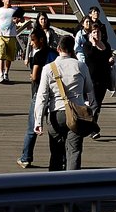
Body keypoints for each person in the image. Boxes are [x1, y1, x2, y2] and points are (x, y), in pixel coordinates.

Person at [34, 34, 95, 171]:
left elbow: (42, 96)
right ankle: (72, 184)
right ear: (72, 49)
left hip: (56, 113)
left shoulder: (49, 68)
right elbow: (89, 88)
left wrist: (38, 121)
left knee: (56, 152)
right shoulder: (80, 66)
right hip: (77, 114)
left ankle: (54, 184)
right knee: (74, 152)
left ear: (58, 48)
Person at [17, 27, 54, 168]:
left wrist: (31, 76)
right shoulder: (54, 53)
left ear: (41, 40)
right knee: (54, 130)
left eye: (33, 40)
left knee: (32, 128)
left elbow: (35, 76)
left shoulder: (39, 56)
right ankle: (59, 158)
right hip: (54, 95)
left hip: (39, 94)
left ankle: (26, 158)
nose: (31, 43)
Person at [82, 22, 116, 140]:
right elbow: (90, 57)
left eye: (98, 32)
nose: (97, 34)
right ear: (90, 34)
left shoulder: (106, 45)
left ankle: (90, 126)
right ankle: (93, 129)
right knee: (94, 104)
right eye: (94, 32)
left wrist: (111, 60)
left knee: (98, 106)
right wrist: (93, 43)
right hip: (91, 79)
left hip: (103, 79)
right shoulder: (87, 46)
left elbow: (106, 61)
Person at [0, 0, 20, 83]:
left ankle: (6, 73)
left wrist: (18, 20)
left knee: (9, 57)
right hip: (1, 35)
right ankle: (0, 74)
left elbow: (21, 20)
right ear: (3, 0)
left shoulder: (15, 9)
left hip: (11, 35)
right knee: (1, 55)